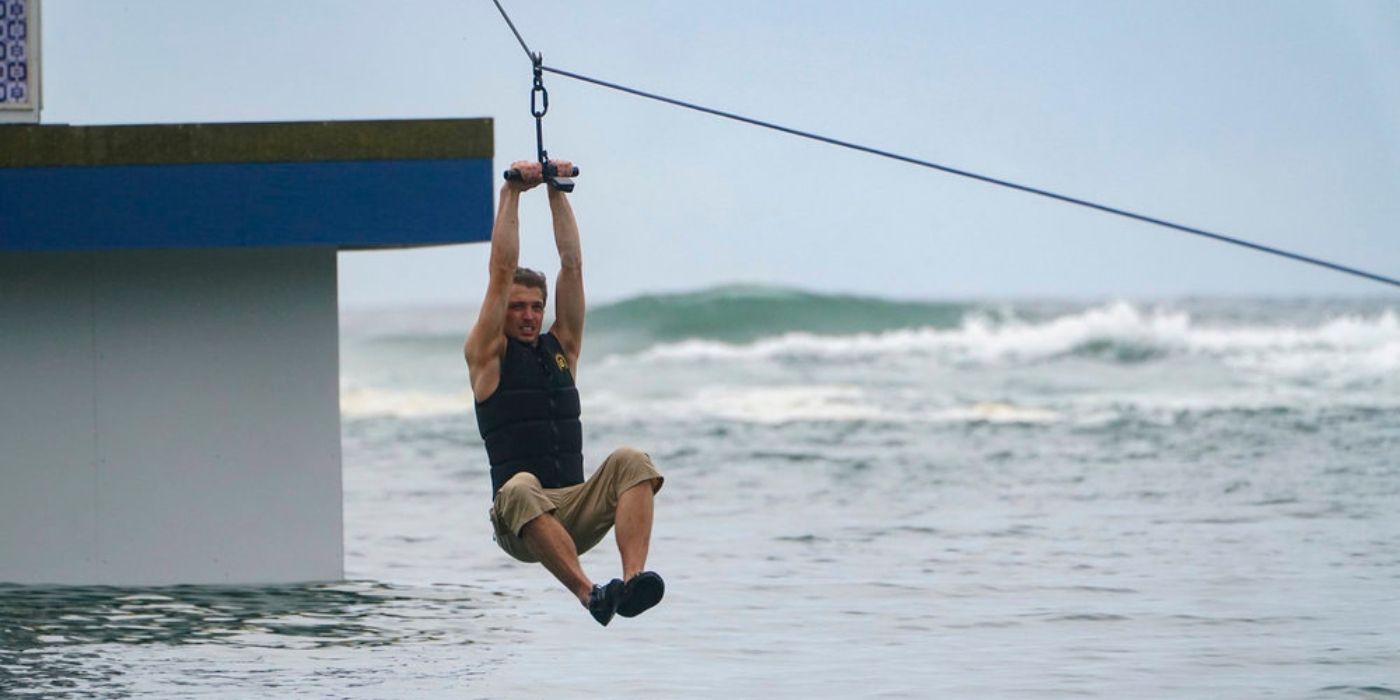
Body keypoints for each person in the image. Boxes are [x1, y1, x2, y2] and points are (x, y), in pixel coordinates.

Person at [464, 160, 666, 626]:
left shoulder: (563, 348)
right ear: (503, 312)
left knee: (632, 461)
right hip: (519, 523)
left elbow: (572, 266)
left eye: (536, 307)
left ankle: (632, 582)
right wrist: (511, 194)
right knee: (520, 486)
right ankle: (589, 594)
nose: (530, 316)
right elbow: (501, 271)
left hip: (572, 508)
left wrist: (557, 191)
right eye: (518, 308)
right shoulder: (487, 356)